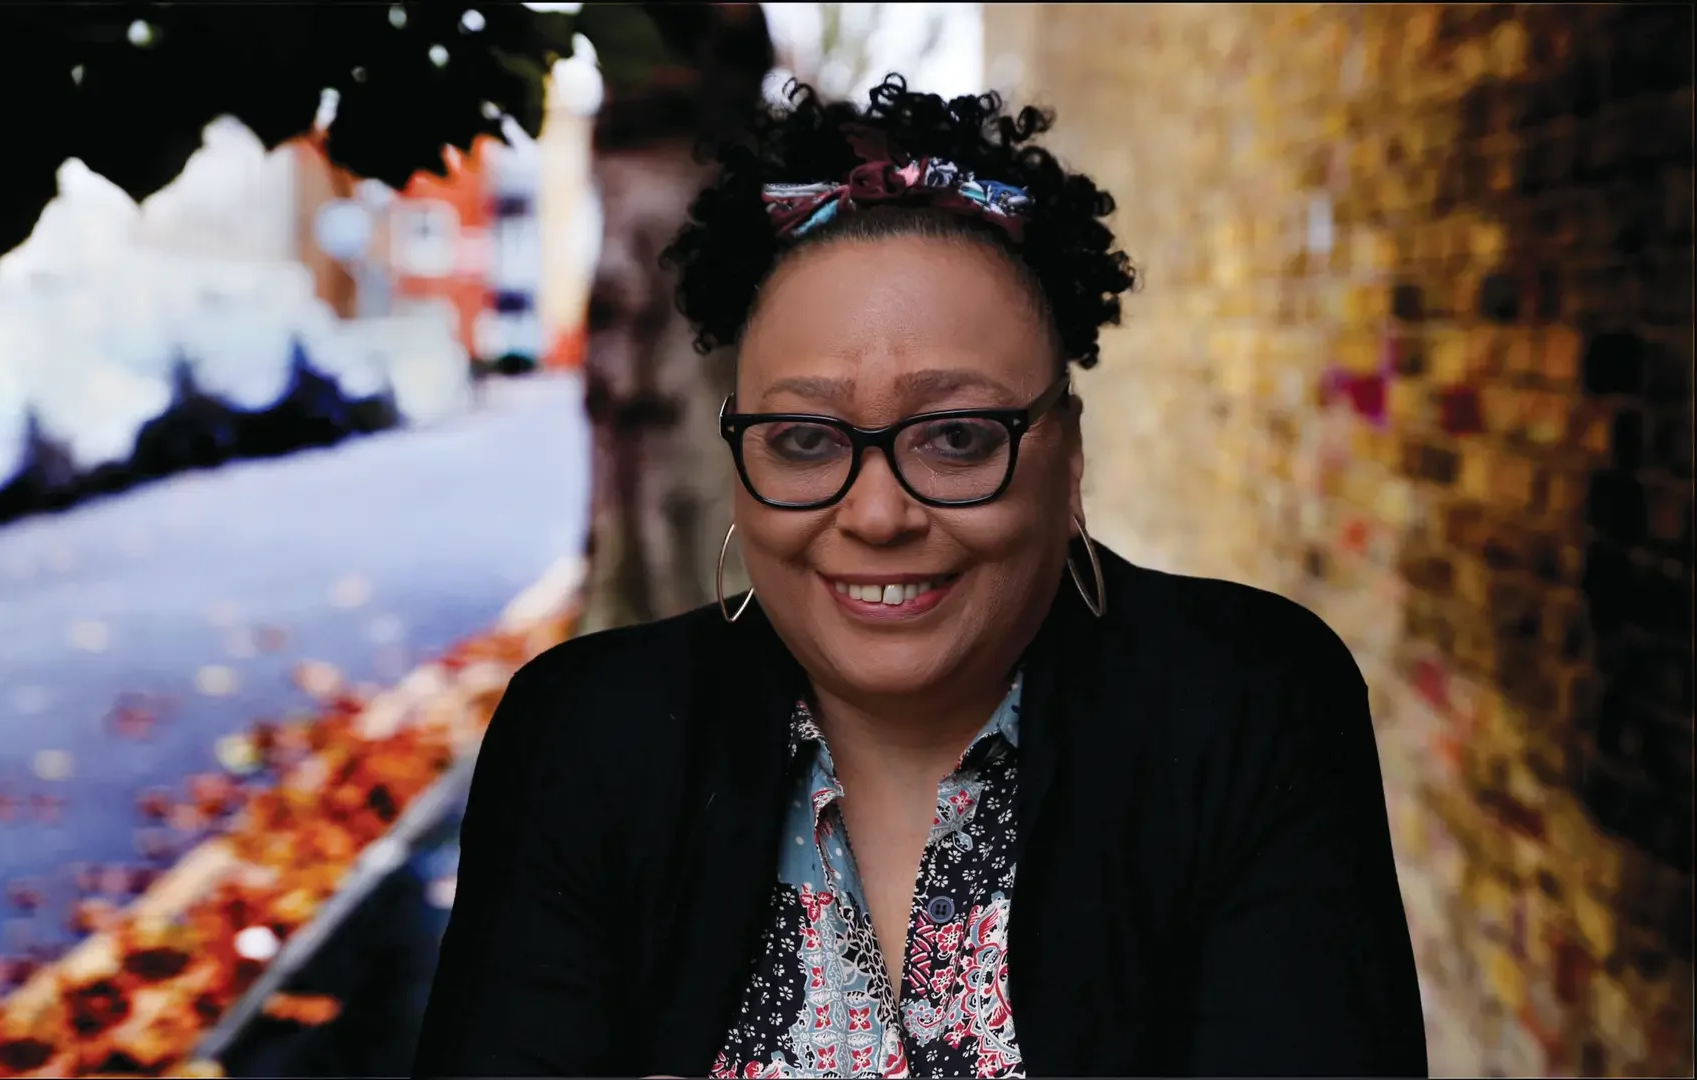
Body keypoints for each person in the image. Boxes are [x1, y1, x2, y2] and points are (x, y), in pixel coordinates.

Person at [413, 75, 1427, 1079]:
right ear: (739, 459)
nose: (878, 514)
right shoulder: (583, 739)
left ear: (1069, 455)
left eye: (955, 436)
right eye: (805, 439)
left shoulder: (1248, 708)